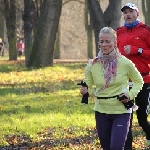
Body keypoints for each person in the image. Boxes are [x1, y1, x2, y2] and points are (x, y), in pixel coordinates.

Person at [80, 27, 143, 150]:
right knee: (107, 147)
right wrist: (84, 89)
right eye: (101, 41)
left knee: (116, 147)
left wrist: (130, 95)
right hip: (101, 111)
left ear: (115, 43)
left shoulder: (125, 63)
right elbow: (88, 81)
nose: (104, 45)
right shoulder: (93, 64)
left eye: (107, 41)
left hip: (121, 111)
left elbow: (138, 81)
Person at [116, 3, 150, 148]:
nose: (128, 15)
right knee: (126, 119)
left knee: (142, 118)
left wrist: (138, 50)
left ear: (138, 14)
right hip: (123, 82)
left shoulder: (146, 31)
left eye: (131, 12)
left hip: (144, 79)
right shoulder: (118, 32)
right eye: (125, 13)